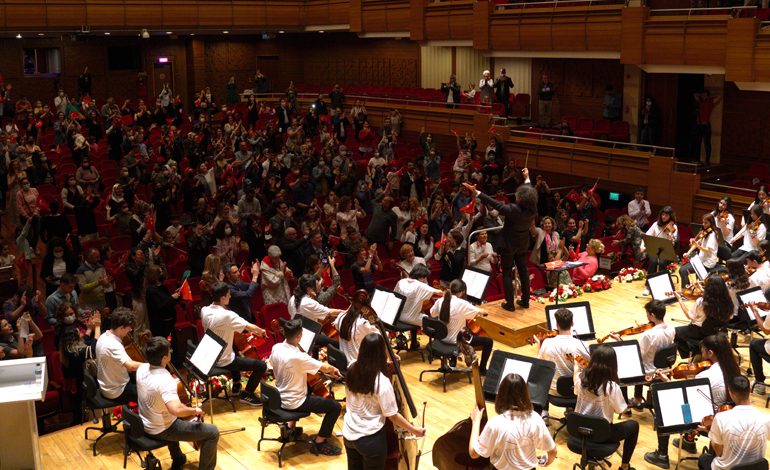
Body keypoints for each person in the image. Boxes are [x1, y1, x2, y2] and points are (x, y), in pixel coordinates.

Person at [645, 333, 741, 465]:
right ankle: (688, 442)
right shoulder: (733, 369)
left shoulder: (707, 375)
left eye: (702, 351)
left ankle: (662, 455)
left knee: (663, 408)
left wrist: (667, 381)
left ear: (710, 353)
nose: (701, 354)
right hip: (726, 417)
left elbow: (688, 399)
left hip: (708, 420)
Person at [343, 333, 425, 469]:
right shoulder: (382, 382)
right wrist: (414, 430)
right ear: (382, 353)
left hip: (349, 434)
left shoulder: (351, 367)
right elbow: (392, 416)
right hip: (370, 440)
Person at [138, 336, 220, 470]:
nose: (171, 352)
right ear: (164, 358)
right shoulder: (165, 380)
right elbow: (175, 410)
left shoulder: (142, 369)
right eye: (169, 351)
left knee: (171, 416)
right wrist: (195, 410)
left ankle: (178, 457)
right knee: (212, 432)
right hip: (161, 429)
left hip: (144, 422)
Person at [463, 168, 538, 311]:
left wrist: (477, 192)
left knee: (507, 273)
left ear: (521, 198)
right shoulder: (533, 208)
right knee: (523, 271)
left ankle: (510, 304)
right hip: (522, 243)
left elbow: (494, 203)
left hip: (509, 245)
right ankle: (525, 301)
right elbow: (530, 192)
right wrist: (527, 178)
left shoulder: (512, 209)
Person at [270, 318, 343, 456]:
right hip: (295, 402)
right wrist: (334, 370)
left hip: (279, 397)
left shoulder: (277, 347)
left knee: (303, 386)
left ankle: (291, 428)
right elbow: (325, 367)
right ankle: (320, 442)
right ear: (299, 336)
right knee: (335, 407)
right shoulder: (297, 356)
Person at [469, 373, 556, 470]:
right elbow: (553, 452)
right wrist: (547, 461)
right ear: (525, 393)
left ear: (501, 394)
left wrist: (476, 422)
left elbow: (473, 453)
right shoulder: (536, 418)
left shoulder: (495, 424)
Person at [200, 282, 268, 406]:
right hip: (223, 360)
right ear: (222, 298)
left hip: (209, 355)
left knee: (234, 347)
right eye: (228, 295)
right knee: (261, 366)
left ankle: (236, 383)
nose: (230, 296)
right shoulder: (227, 316)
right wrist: (261, 331)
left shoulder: (204, 310)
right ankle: (247, 394)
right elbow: (249, 326)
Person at [574, 345, 639, 470]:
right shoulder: (611, 387)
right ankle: (624, 467)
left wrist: (577, 368)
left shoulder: (580, 380)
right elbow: (621, 410)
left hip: (579, 431)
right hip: (601, 434)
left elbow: (576, 387)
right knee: (634, 426)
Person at [430, 279, 493, 374]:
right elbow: (482, 312)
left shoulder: (440, 301)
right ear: (462, 292)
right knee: (488, 341)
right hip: (457, 341)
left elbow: (432, 314)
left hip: (441, 339)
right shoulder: (463, 304)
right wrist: (484, 311)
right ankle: (482, 369)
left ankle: (453, 359)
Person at [673, 276, 733, 359]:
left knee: (674, 332)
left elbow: (689, 316)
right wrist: (701, 288)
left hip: (700, 332)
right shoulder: (728, 301)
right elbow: (730, 317)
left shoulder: (701, 301)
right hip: (718, 332)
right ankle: (699, 350)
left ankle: (694, 353)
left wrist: (679, 299)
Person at [537, 308, 590, 404]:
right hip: (576, 391)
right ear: (572, 323)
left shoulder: (547, 343)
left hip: (553, 392)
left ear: (557, 325)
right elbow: (592, 365)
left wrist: (539, 345)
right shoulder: (582, 345)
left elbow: (539, 365)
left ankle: (544, 410)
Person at [95, 307, 142, 403]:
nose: (130, 329)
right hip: (116, 391)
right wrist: (152, 365)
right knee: (150, 394)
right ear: (121, 328)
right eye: (129, 327)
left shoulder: (103, 336)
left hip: (107, 385)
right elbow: (130, 366)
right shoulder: (113, 345)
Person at [288, 273, 345, 350]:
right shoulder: (308, 302)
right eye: (315, 287)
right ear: (309, 289)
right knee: (336, 344)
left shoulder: (292, 298)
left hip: (295, 334)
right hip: (306, 337)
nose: (317, 288)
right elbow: (330, 312)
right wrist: (346, 312)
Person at [394, 264, 442, 350]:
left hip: (398, 317)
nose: (425, 280)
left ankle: (414, 343)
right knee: (436, 323)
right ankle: (436, 348)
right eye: (425, 278)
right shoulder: (421, 286)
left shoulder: (401, 282)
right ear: (421, 277)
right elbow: (439, 293)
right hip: (411, 318)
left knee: (420, 313)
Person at [334, 294, 380, 366]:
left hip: (344, 362)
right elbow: (381, 338)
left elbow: (337, 327)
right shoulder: (363, 324)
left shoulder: (340, 317)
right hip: (359, 365)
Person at [679, 214, 721, 286]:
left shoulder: (712, 235)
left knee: (683, 270)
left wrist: (698, 245)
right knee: (682, 270)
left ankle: (688, 288)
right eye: (703, 222)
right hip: (701, 259)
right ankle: (687, 288)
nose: (703, 224)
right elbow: (696, 243)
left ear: (711, 223)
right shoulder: (705, 232)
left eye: (706, 223)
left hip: (708, 262)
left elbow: (707, 250)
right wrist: (688, 253)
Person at [144, 265, 179, 339]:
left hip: (170, 324)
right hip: (161, 327)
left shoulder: (163, 287)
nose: (162, 273)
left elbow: (170, 303)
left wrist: (177, 296)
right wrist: (172, 298)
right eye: (160, 272)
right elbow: (160, 307)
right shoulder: (150, 291)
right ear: (154, 275)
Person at [644, 206, 679, 281]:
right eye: (662, 214)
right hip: (655, 249)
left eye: (666, 215)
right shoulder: (656, 224)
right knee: (653, 261)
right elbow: (647, 235)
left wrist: (671, 239)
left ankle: (662, 282)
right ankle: (648, 283)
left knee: (662, 263)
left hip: (666, 250)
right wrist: (643, 246)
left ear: (670, 216)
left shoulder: (673, 226)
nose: (663, 217)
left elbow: (673, 242)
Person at [692, 90, 720, 165]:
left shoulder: (710, 102)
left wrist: (709, 97)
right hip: (698, 125)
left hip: (706, 125)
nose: (703, 96)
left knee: (707, 143)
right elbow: (694, 94)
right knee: (697, 142)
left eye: (705, 95)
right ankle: (696, 159)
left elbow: (719, 96)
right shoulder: (699, 102)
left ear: (707, 95)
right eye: (702, 94)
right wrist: (701, 95)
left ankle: (707, 160)